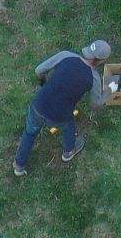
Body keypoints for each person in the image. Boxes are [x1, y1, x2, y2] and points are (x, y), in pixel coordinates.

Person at [13, 38, 110, 176]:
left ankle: (19, 166)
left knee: (29, 133)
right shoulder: (94, 78)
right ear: (100, 61)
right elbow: (94, 105)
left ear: (88, 49)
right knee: (69, 125)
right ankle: (68, 151)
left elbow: (38, 70)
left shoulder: (65, 55)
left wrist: (43, 82)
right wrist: (108, 94)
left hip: (38, 106)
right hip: (59, 116)